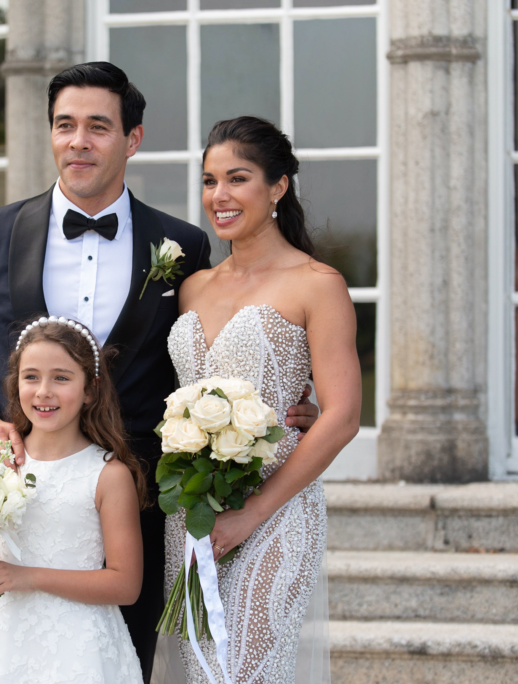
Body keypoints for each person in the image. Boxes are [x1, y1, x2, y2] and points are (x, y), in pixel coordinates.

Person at [0, 62, 320, 681]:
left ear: (132, 139)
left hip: (138, 509)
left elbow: (212, 351)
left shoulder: (183, 246)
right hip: (14, 512)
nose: (79, 141)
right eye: (65, 125)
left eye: (98, 126)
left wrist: (284, 401)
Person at [164, 116, 361, 683]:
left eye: (237, 178)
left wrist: (251, 512)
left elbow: (343, 416)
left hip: (275, 511)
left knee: (246, 674)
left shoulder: (317, 283)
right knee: (201, 673)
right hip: (192, 517)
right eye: (208, 181)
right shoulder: (191, 286)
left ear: (277, 187)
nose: (218, 196)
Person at [0, 318, 146, 684]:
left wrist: (27, 576)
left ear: (90, 389)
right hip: (2, 646)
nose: (43, 391)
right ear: (15, 383)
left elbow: (126, 584)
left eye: (61, 377)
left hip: (79, 648)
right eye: (31, 377)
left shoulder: (108, 474)